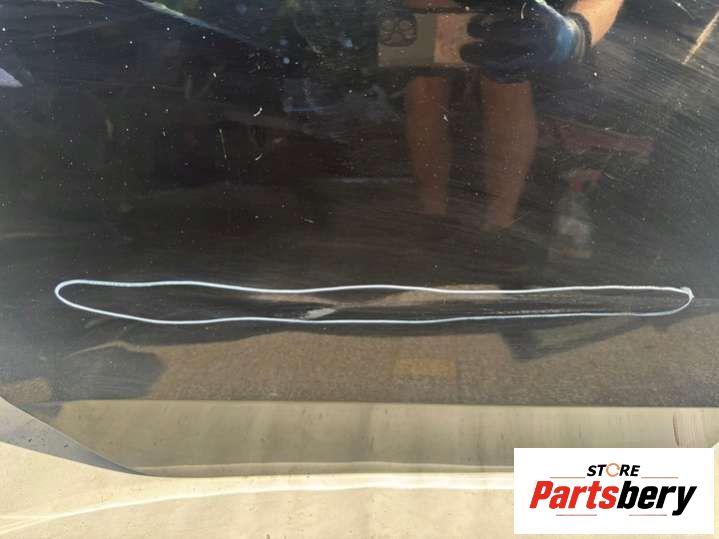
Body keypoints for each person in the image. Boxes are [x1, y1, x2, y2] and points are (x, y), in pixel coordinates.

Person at [405, 0, 624, 230]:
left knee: (507, 77)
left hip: (532, 30)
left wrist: (574, 34)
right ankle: (440, 216)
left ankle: (495, 223)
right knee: (432, 81)